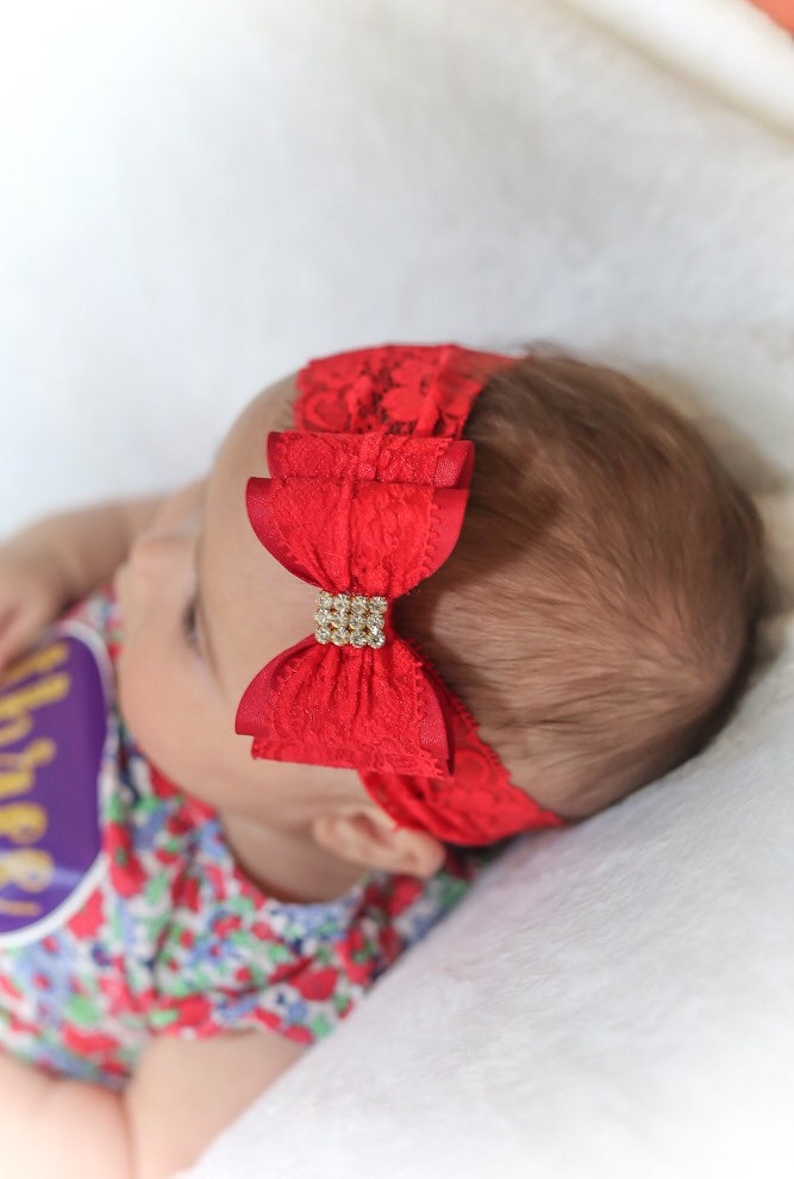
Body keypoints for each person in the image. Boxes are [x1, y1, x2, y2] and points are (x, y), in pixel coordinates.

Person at [0, 343, 763, 1176]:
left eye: (194, 627)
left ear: (362, 830)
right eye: (200, 510)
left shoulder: (257, 976)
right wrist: (48, 561)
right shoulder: (238, 579)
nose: (148, 558)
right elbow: (130, 528)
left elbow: (126, 1153)